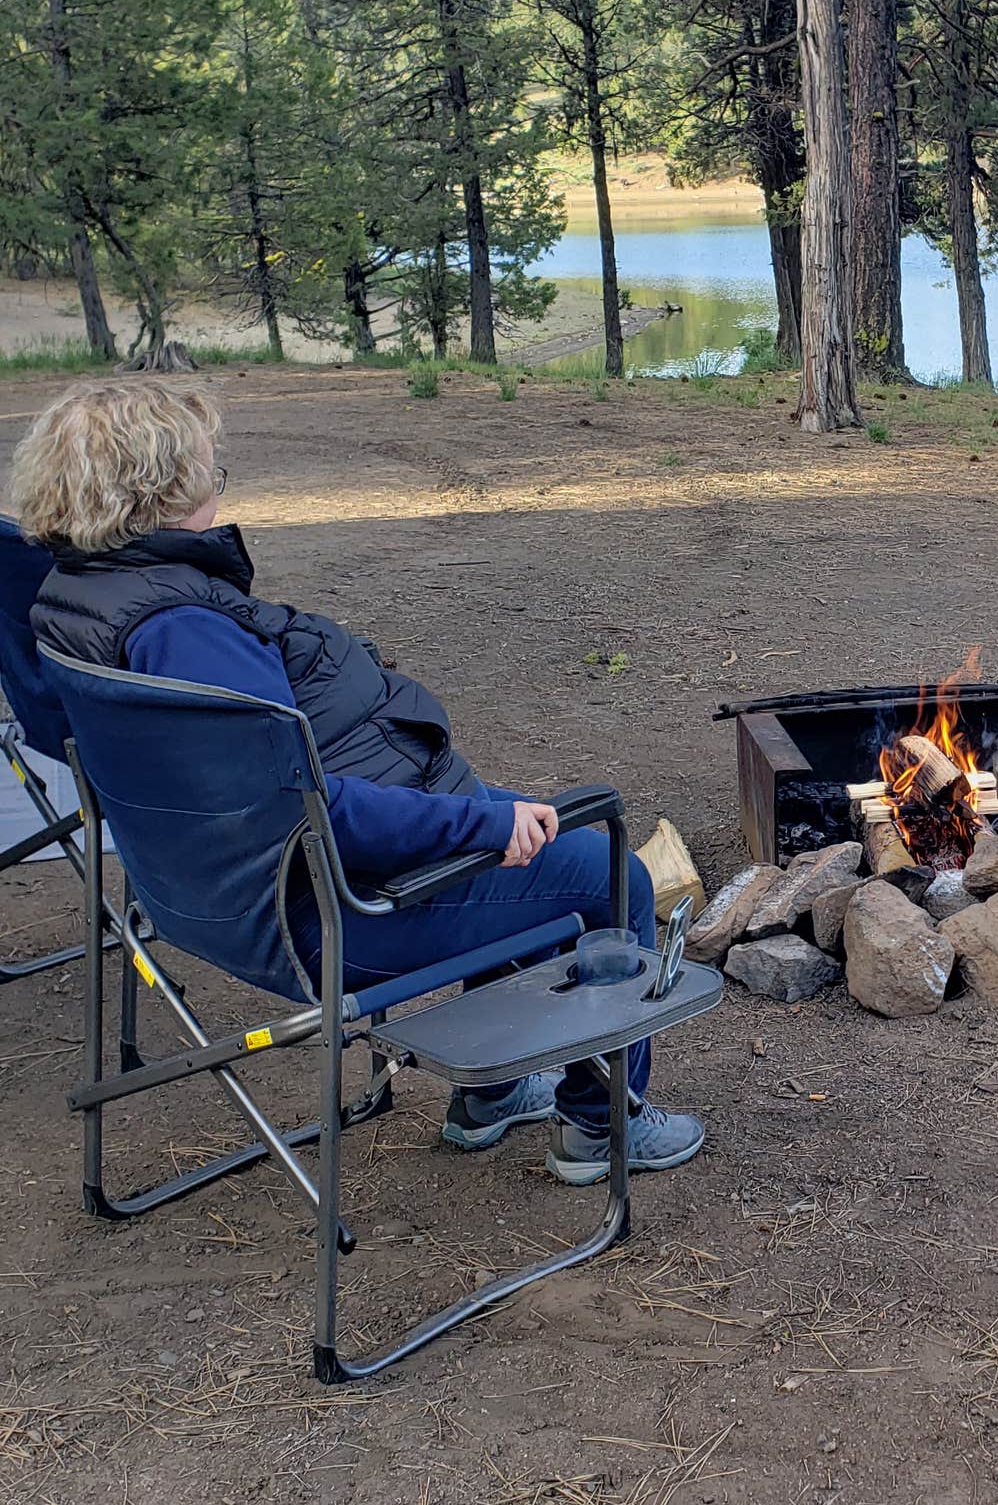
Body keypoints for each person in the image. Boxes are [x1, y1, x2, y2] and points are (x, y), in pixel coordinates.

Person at [12, 377, 702, 1186]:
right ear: (161, 490)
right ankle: (600, 1128)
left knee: (501, 820)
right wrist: (477, 828)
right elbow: (309, 813)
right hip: (327, 910)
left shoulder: (75, 593)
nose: (216, 481)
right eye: (210, 469)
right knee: (603, 871)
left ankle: (495, 1093)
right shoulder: (182, 636)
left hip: (205, 888)